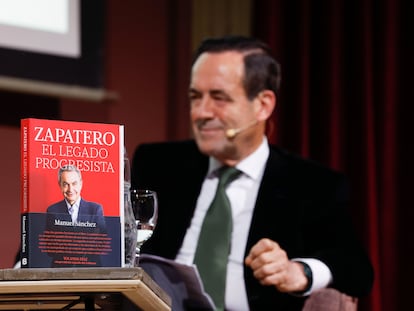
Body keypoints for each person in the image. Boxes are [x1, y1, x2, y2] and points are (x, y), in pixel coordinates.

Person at [131, 35, 374, 310]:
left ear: (263, 105)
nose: (201, 112)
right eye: (195, 97)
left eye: (219, 98)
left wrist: (298, 272)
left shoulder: (313, 183)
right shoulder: (158, 163)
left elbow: (356, 269)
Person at [45, 164, 107, 267]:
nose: (70, 189)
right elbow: (49, 249)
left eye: (74, 183)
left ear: (81, 184)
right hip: (60, 272)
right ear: (59, 185)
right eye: (65, 184)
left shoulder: (95, 209)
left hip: (91, 270)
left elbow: (102, 243)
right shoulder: (52, 211)